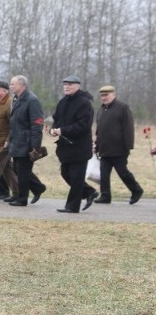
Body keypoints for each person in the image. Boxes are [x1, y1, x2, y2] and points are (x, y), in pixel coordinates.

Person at [50, 75, 98, 213]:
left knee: (77, 177)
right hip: (65, 147)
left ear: (78, 86)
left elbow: (83, 126)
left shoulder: (84, 103)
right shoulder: (62, 102)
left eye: (70, 84)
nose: (66, 86)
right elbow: (56, 119)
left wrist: (62, 130)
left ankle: (72, 206)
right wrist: (54, 129)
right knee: (66, 174)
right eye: (65, 84)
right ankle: (89, 192)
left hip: (79, 147)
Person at [94, 85, 144, 204]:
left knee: (123, 172)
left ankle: (136, 190)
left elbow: (128, 128)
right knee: (104, 174)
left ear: (113, 95)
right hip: (104, 149)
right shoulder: (101, 110)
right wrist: (96, 144)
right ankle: (105, 196)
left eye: (106, 95)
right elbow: (99, 130)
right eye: (102, 96)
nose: (104, 98)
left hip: (119, 149)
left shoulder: (122, 107)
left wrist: (128, 146)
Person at [7, 75, 47, 206]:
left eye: (13, 84)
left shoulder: (32, 100)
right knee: (17, 169)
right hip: (16, 141)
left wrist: (35, 146)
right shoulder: (16, 99)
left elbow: (37, 124)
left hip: (27, 142)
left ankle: (22, 198)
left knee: (23, 172)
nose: (10, 86)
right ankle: (38, 188)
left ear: (21, 85)